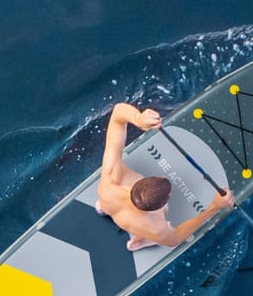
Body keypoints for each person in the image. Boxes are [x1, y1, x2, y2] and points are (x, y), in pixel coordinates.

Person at [96, 102, 234, 251]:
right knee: (159, 224)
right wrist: (215, 207)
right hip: (139, 226)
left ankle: (103, 207)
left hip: (108, 198)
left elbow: (118, 112)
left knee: (108, 202)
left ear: (139, 185)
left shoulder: (111, 177)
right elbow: (175, 238)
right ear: (166, 199)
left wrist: (138, 119)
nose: (163, 176)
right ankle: (140, 240)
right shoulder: (156, 228)